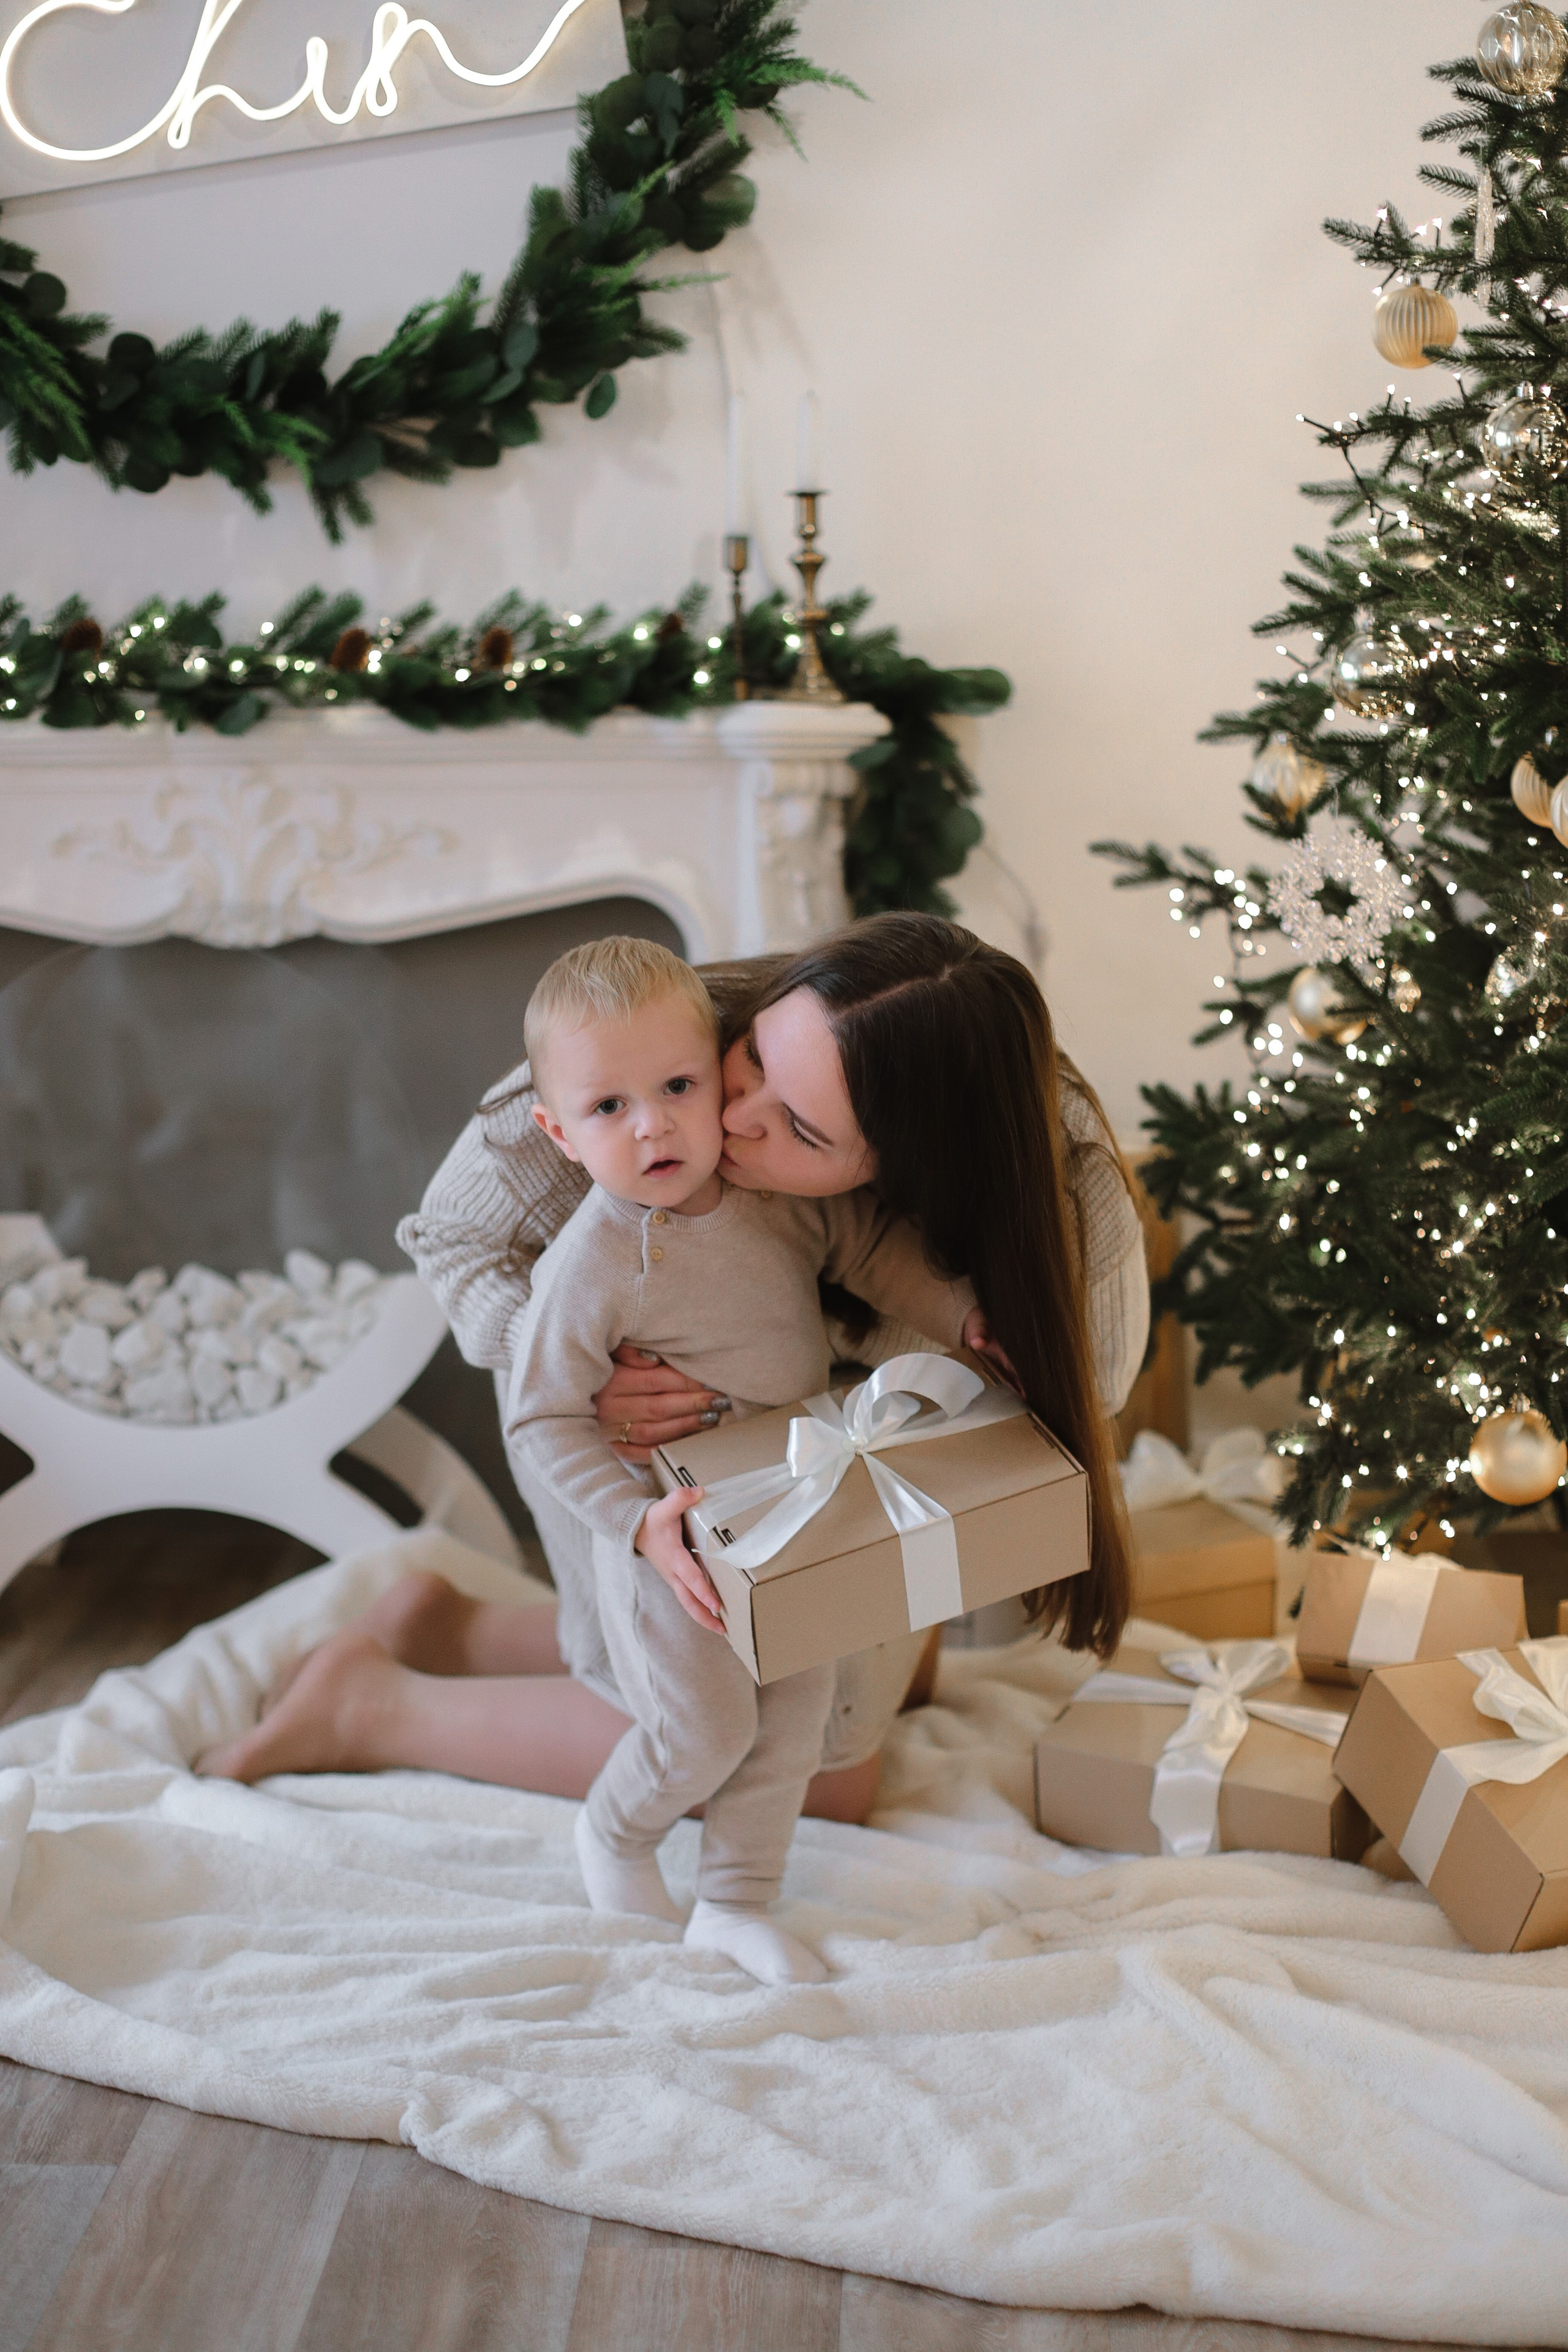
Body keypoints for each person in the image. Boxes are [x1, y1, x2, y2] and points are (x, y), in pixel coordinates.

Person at [200, 914, 1147, 1830]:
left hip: (833, 1421)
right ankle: (369, 1708)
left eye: (802, 1132)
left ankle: (449, 1631)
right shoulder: (640, 1055)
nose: (729, 1119)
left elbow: (1055, 1408)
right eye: (758, 1062)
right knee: (795, 1760)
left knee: (841, 1710)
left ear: (900, 1177)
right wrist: (579, 1362)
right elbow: (450, 1234)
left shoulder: (1066, 1218)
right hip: (616, 1407)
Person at [503, 935, 970, 1981]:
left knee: (793, 1722)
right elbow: (541, 1421)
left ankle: (736, 1901)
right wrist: (635, 1526)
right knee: (706, 1729)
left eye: (677, 1085)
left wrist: (965, 1313)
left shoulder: (771, 1198)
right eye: (609, 1108)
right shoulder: (597, 1260)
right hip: (674, 1531)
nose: (655, 1124)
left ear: (720, 1070)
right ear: (558, 1132)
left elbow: (871, 1252)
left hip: (795, 1498)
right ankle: (617, 1832)